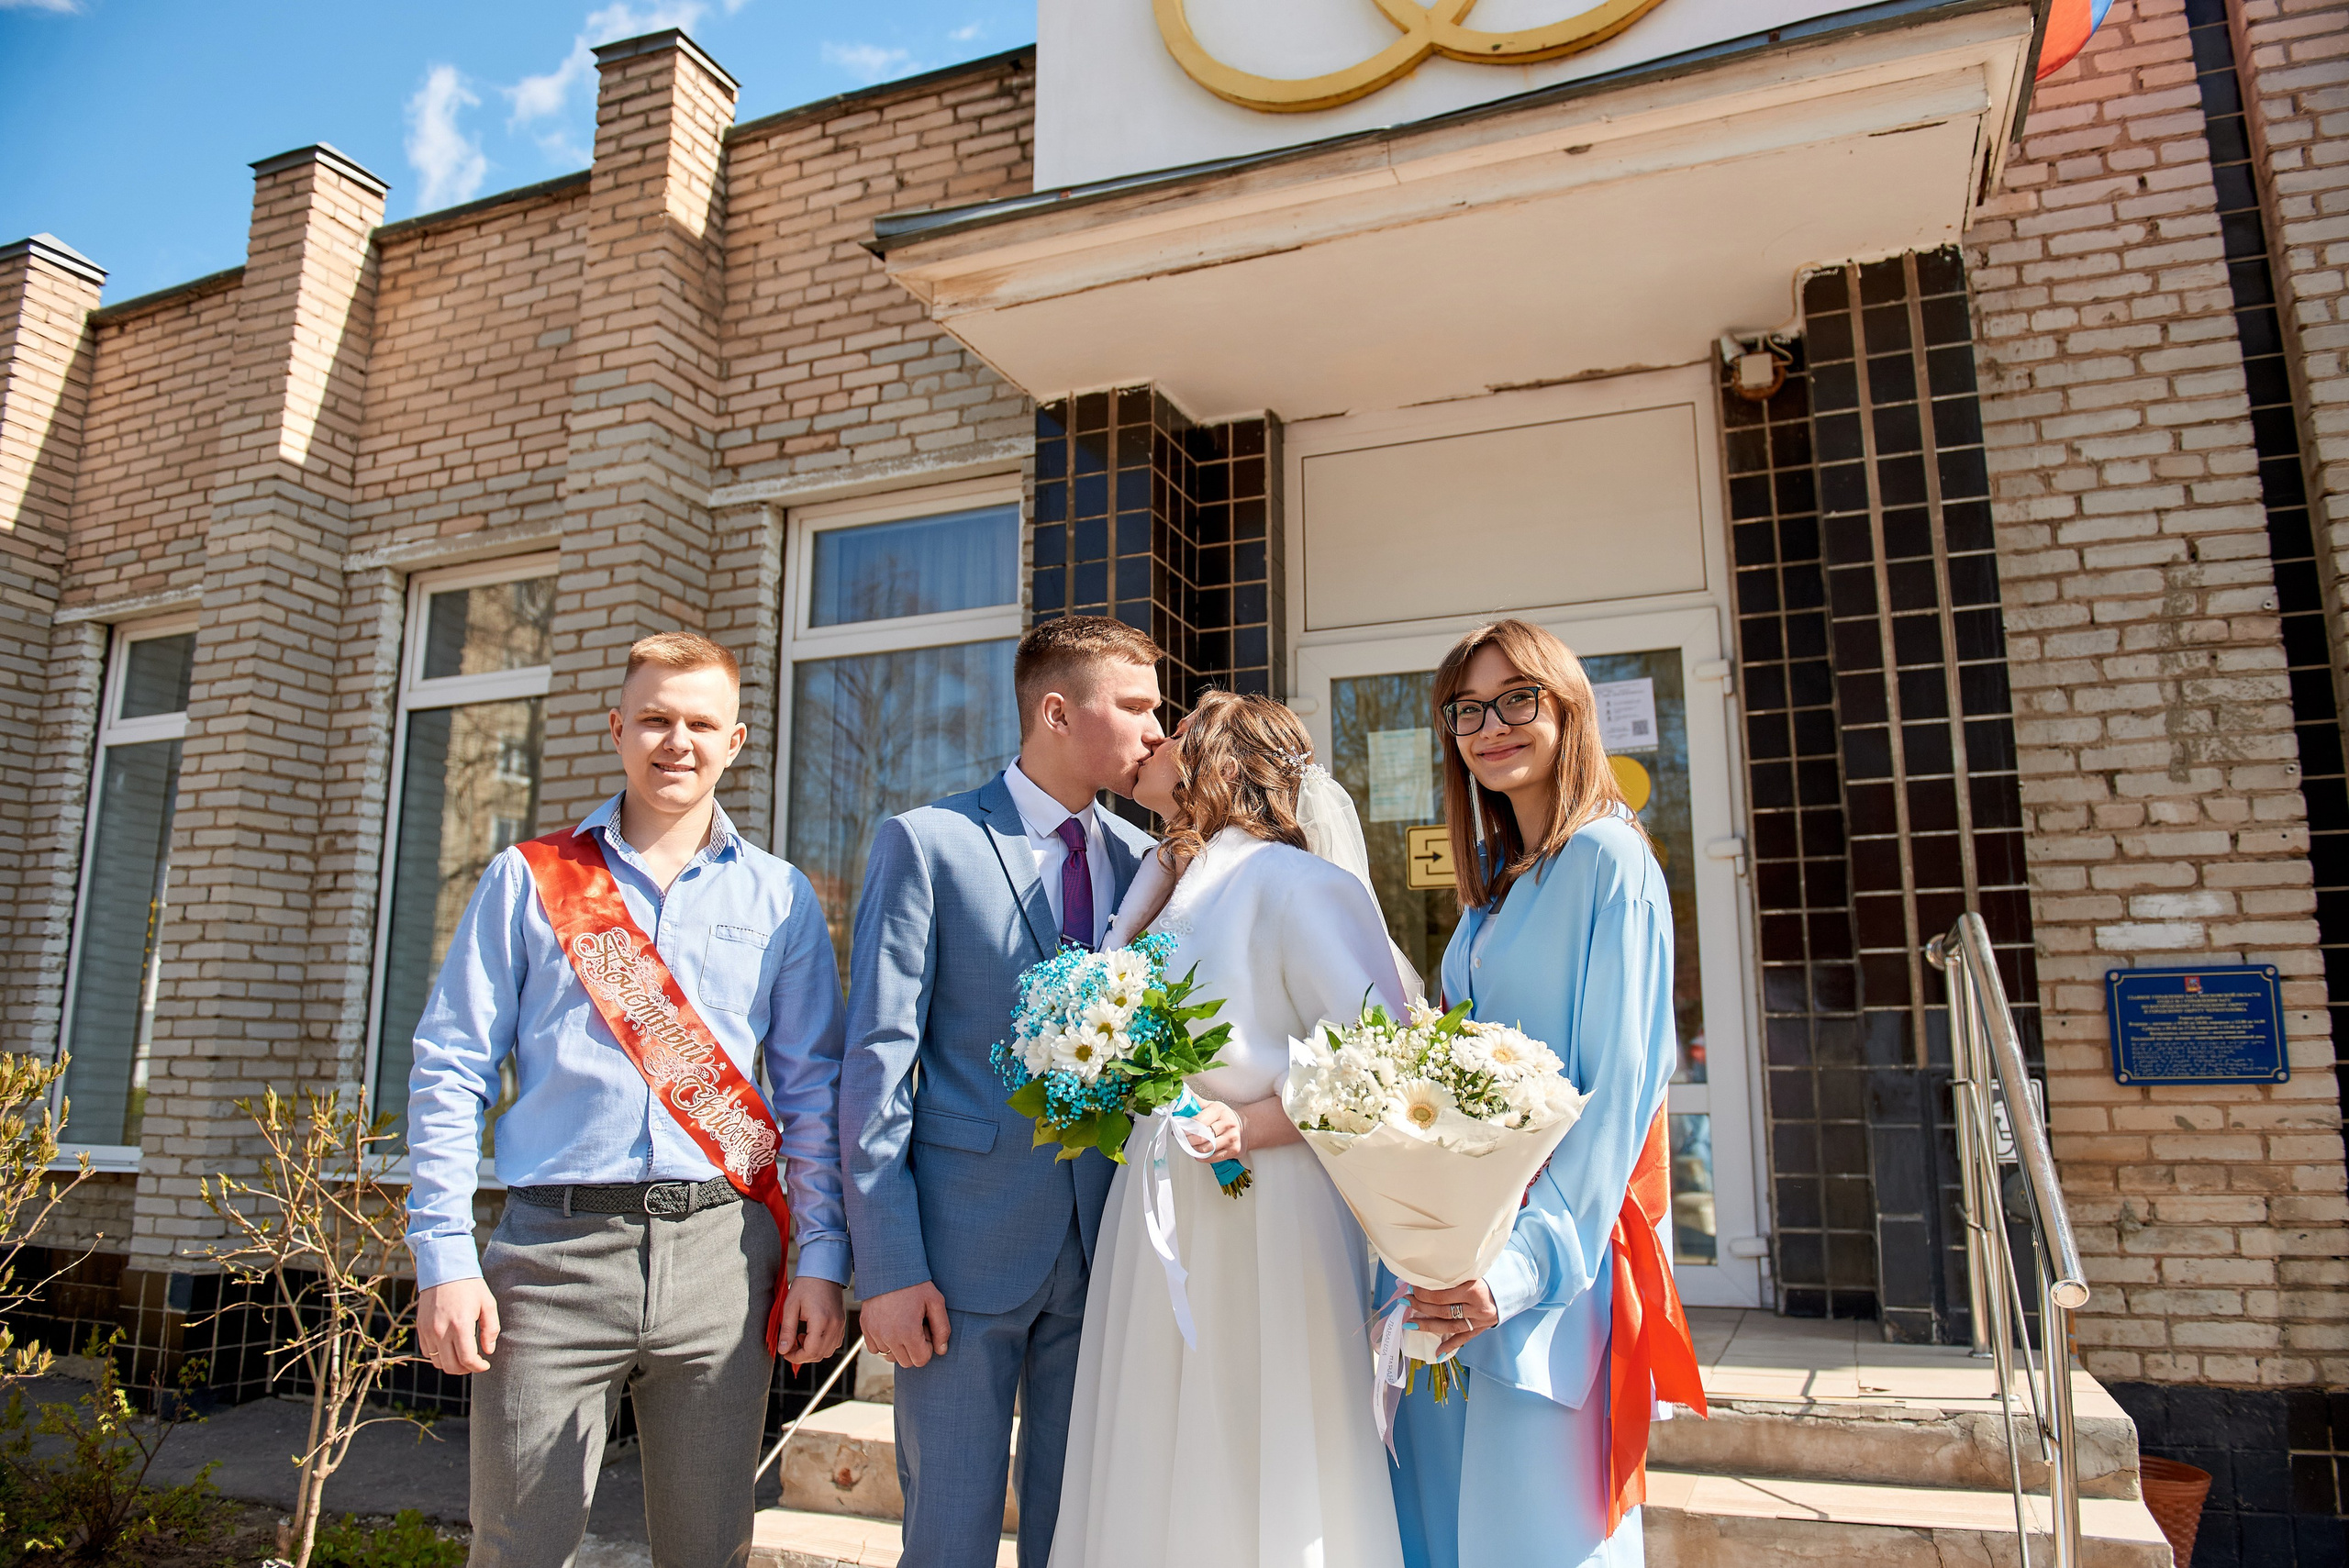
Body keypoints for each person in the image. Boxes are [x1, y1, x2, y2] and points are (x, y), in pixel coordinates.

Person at [406, 632, 851, 1568]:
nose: (674, 739)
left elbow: (813, 1093)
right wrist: (443, 1254)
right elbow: (451, 1067)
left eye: (699, 722)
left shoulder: (780, 898)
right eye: (654, 717)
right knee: (516, 1545)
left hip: (724, 1261)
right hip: (552, 1257)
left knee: (708, 1545)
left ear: (735, 742)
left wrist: (822, 1253)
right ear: (617, 728)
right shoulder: (528, 879)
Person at [1050, 690, 1409, 1568]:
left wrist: (1245, 1123)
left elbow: (1382, 1063)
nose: (1151, 745)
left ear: (1213, 759)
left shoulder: (1299, 883)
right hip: (1160, 1195)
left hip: (1261, 1201)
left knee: (1255, 1422)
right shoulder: (1165, 884)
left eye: (1172, 734)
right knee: (1155, 1432)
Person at [841, 616, 1165, 1568]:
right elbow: (877, 1065)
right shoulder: (928, 843)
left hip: (1099, 1251)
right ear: (1057, 711)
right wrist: (888, 1264)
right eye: (1138, 706)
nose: (1157, 730)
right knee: (947, 1533)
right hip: (956, 1257)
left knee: (1076, 1534)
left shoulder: (1141, 862)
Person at [1385, 618, 1704, 1568]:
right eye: (1467, 709)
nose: (1490, 726)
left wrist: (1517, 1271)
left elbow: (1615, 1096)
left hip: (1539, 1280)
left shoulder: (1610, 862)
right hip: (1450, 1264)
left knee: (1531, 1539)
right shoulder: (1496, 886)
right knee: (1440, 1533)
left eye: (1516, 698)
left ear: (1568, 708)